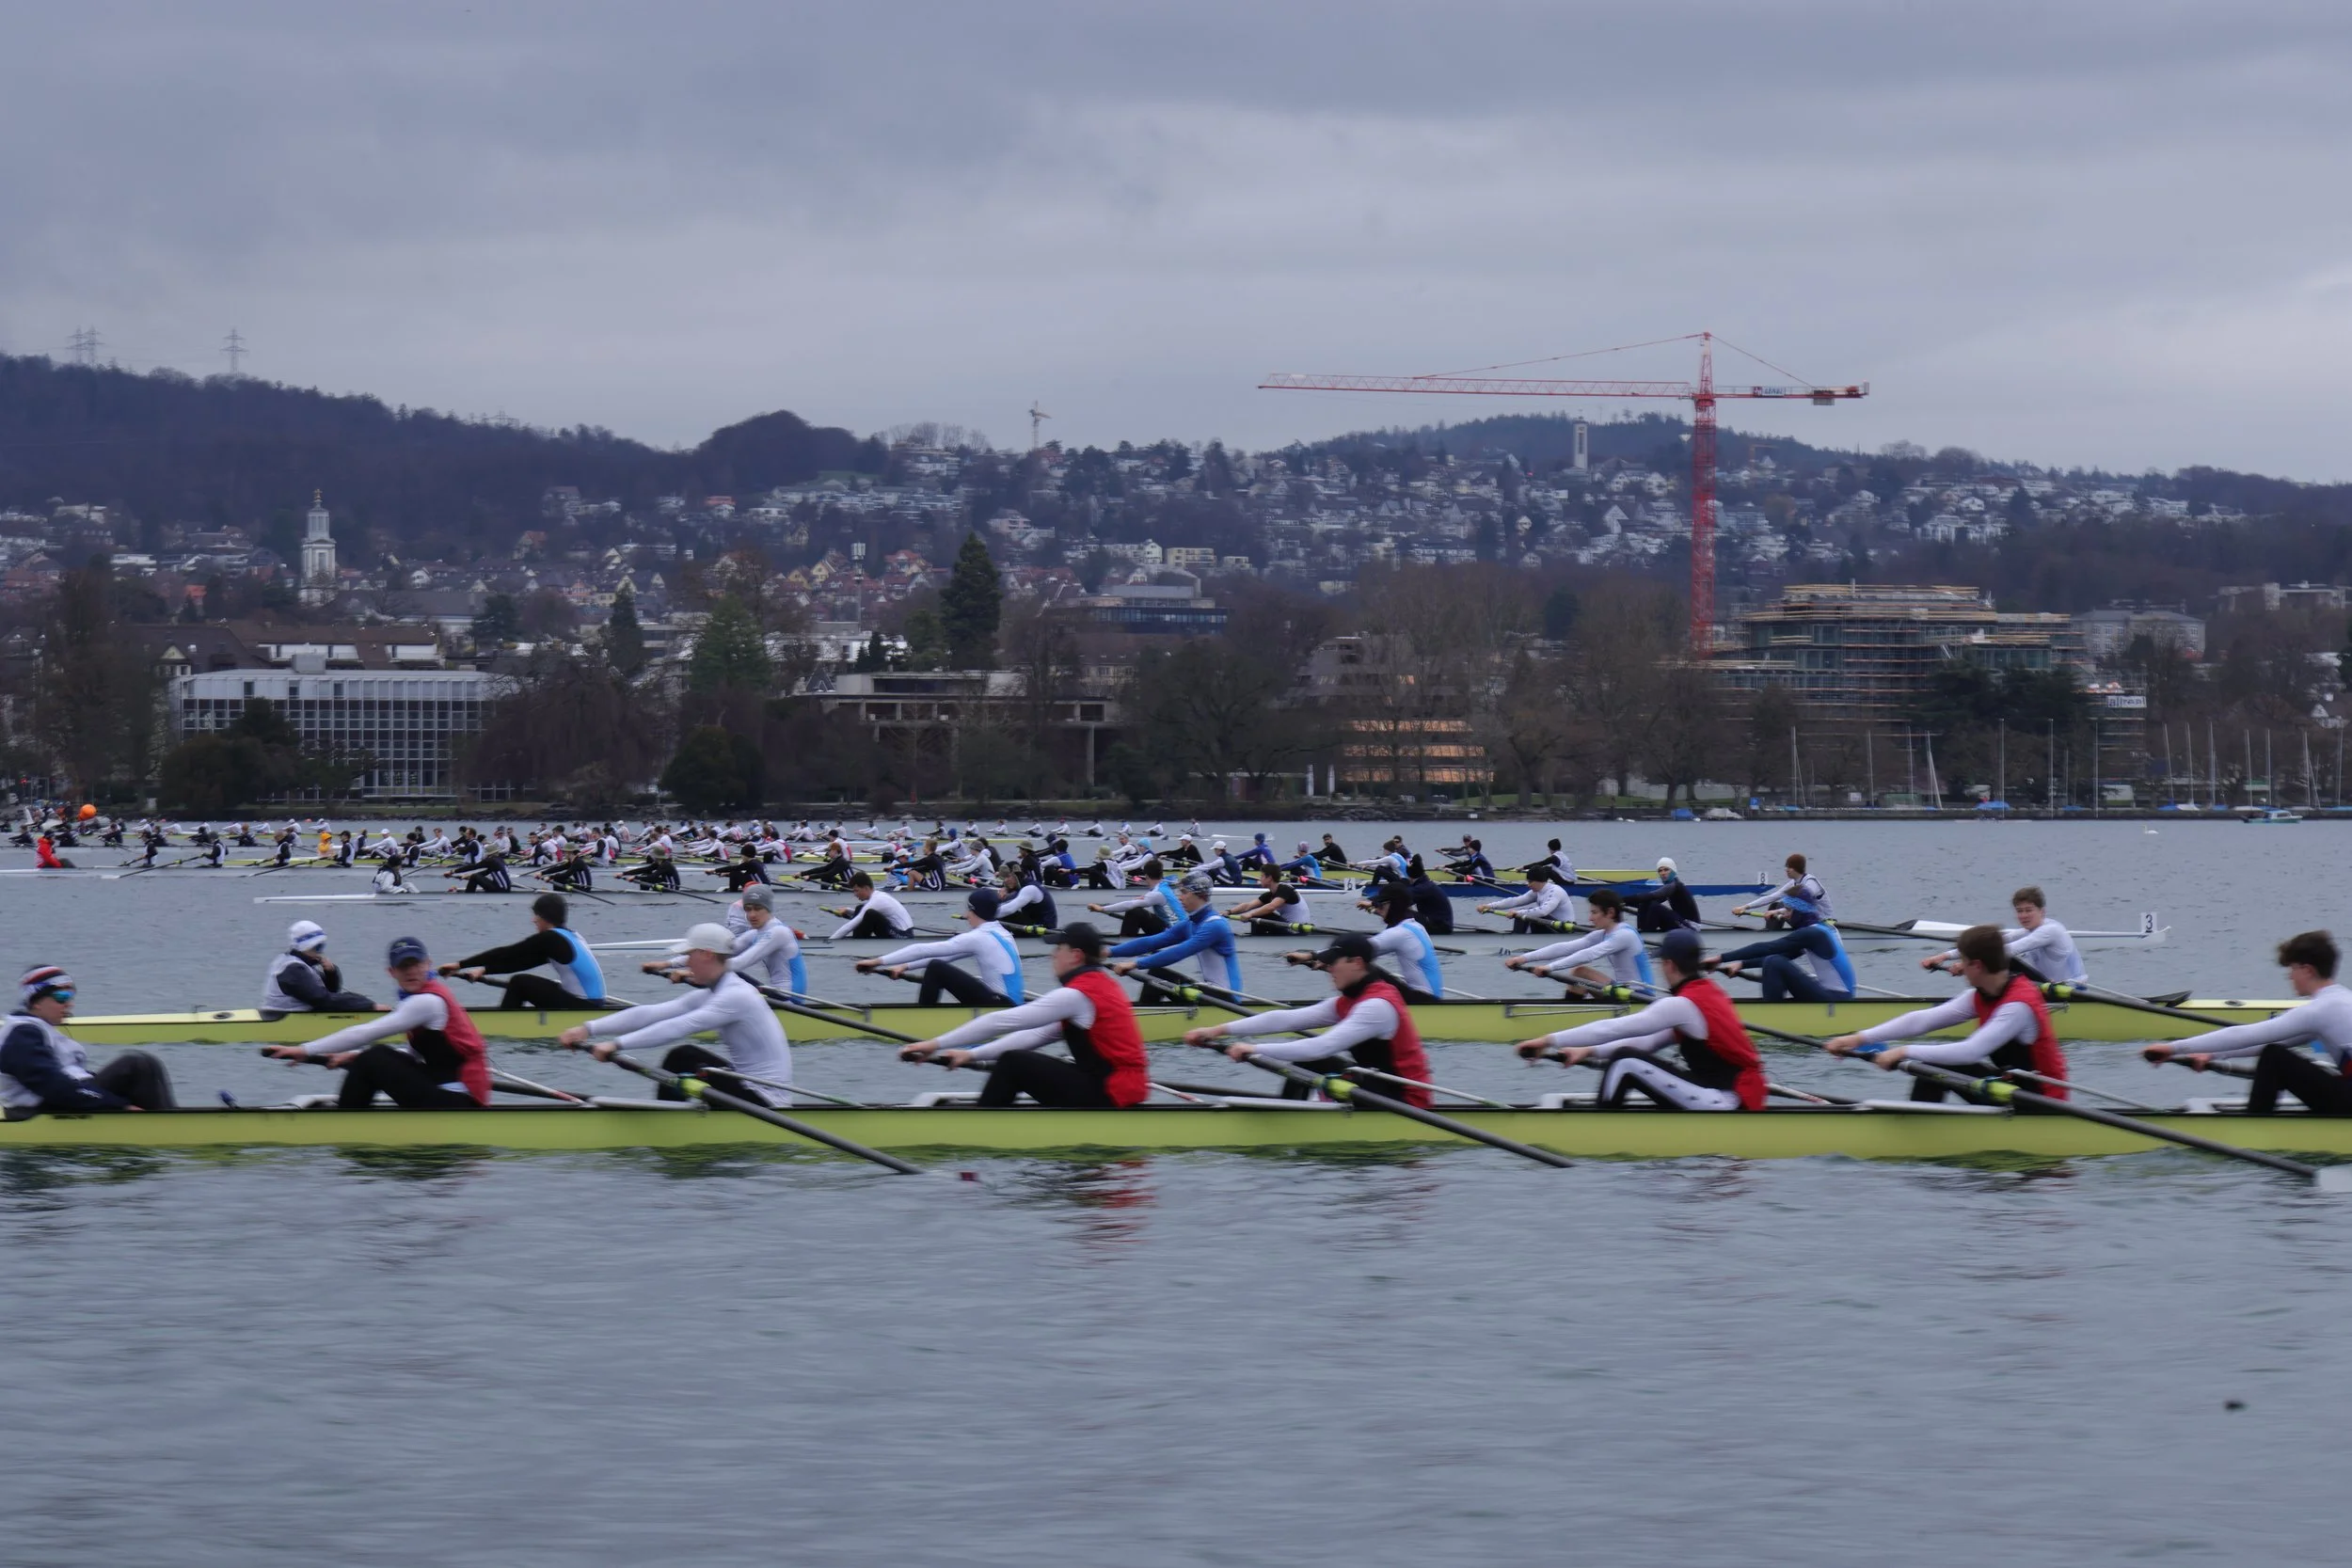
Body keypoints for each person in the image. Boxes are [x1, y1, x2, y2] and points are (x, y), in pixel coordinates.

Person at [898, 924, 1151, 1108]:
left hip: (1111, 1091)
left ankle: (980, 1130)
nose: (1053, 955)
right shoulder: (1101, 986)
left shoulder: (1078, 995)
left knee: (1013, 1063)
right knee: (1015, 1059)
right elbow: (1038, 1035)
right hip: (1119, 1088)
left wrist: (934, 1044)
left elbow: (1001, 1021)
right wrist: (971, 1054)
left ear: (1076, 955)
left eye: (1058, 948)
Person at [1512, 929, 1765, 1111]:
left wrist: (1548, 1040)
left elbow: (1615, 1028)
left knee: (1624, 1061)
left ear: (1669, 964)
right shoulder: (1706, 993)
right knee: (1628, 1054)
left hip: (1724, 1099)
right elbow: (1646, 1043)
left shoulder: (1682, 1004)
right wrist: (1587, 1050)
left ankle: (1599, 1130)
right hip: (1725, 1095)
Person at [1825, 924, 2067, 1102]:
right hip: (2012, 1086)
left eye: (1962, 961)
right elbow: (1921, 1021)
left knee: (1936, 1061)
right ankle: (1920, 1126)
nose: (1958, 968)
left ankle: (1917, 1139)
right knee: (1933, 1065)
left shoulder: (2017, 1006)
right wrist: (1858, 1038)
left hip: (2042, 1101)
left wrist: (1901, 1052)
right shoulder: (1984, 993)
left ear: (1977, 965)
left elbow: (1971, 1051)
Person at [1184, 934, 1433, 1107]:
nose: (1327, 968)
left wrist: (1253, 1049)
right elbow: (1285, 1019)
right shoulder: (1350, 999)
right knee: (1311, 1066)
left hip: (1407, 1099)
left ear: (1356, 963)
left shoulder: (1377, 1006)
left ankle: (1291, 1121)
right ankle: (1291, 1113)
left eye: (1333, 963)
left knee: (1314, 1058)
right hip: (1379, 1084)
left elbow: (1320, 1046)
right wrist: (1216, 1030)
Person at [559, 924, 794, 1105]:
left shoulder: (735, 996)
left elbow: (678, 1027)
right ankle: (669, 1113)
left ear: (707, 954)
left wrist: (615, 1045)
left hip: (765, 1099)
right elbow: (653, 1014)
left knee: (682, 1057)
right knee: (685, 1057)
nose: (686, 962)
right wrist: (588, 1029)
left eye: (689, 955)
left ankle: (664, 1121)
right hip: (745, 1083)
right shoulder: (717, 990)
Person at [262, 937, 490, 1109]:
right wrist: (354, 1056)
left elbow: (366, 1032)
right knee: (371, 1056)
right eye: (403, 967)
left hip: (462, 1101)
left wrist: (304, 1050)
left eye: (416, 965)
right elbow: (413, 1055)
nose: (411, 972)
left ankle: (344, 1126)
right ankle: (351, 1118)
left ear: (428, 965)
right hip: (445, 1091)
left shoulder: (427, 1002)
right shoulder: (421, 999)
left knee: (374, 1055)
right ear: (391, 972)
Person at [2143, 929, 2352, 1115]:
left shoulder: (2320, 1009)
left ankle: (2255, 1129)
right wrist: (2213, 1054)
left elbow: (2244, 1035)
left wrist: (2172, 1048)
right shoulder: (2340, 1001)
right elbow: (2273, 1043)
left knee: (2274, 1058)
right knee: (2274, 1053)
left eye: (2292, 969)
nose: (2289, 977)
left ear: (2307, 970)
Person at [2, 966, 175, 1115]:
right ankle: (168, 1124)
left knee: (145, 1064)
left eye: (70, 996)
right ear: (36, 1002)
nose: (69, 1004)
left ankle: (164, 1118)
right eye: (61, 997)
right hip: (43, 1109)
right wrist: (118, 1105)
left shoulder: (37, 1029)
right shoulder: (22, 1034)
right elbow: (53, 1087)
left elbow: (66, 1080)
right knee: (136, 1065)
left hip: (65, 1099)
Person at [439, 893, 609, 1010]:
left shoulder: (551, 938)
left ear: (545, 917)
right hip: (593, 1002)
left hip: (584, 1005)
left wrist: (459, 964)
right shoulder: (571, 936)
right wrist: (485, 970)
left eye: (536, 915)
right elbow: (522, 962)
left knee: (519, 982)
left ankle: (505, 1024)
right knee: (520, 979)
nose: (533, 920)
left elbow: (508, 952)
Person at [859, 889, 1026, 1006]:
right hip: (1010, 1004)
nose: (966, 915)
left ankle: (924, 1020)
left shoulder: (979, 937)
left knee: (935, 968)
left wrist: (877, 961)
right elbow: (947, 957)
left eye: (969, 910)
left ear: (977, 911)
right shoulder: (1001, 932)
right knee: (938, 964)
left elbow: (921, 950)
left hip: (1001, 1007)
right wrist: (905, 966)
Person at [652, 885, 807, 999]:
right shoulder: (755, 933)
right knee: (722, 974)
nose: (751, 914)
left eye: (757, 909)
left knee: (728, 974)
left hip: (788, 998)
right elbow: (715, 955)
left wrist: (692, 972)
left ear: (768, 909)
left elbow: (739, 963)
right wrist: (667, 964)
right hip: (774, 993)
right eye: (747, 909)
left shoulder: (778, 932)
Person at [1110, 871, 1244, 1001]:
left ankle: (1140, 1020)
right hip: (1211, 990)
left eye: (1184, 892)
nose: (1180, 897)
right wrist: (1107, 952)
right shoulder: (1191, 923)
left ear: (1201, 895)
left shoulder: (1215, 925)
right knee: (1159, 974)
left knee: (1157, 975)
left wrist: (1135, 964)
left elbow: (1179, 952)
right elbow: (1152, 942)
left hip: (1226, 996)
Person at [1923, 885, 2087, 985]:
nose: (2023, 916)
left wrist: (1967, 965)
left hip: (2072, 991)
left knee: (2006, 959)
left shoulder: (2051, 931)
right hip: (2050, 987)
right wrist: (1944, 956)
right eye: (2019, 911)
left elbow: (2010, 949)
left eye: (2029, 910)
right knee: (1994, 951)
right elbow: (1991, 942)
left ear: (2042, 912)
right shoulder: (2029, 931)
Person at [1312, 881, 1442, 1002]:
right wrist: (1374, 907)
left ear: (1394, 906)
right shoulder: (1416, 926)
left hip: (1424, 1000)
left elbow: (1358, 948)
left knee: (1359, 964)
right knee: (1357, 962)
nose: (1378, 909)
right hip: (1428, 995)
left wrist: (1312, 955)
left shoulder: (1400, 933)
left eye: (1380, 905)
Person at [1505, 887, 1649, 991]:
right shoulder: (1603, 933)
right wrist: (1523, 959)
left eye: (1594, 913)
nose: (1590, 918)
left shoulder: (1624, 935)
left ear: (1611, 912)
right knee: (1580, 973)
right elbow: (1566, 947)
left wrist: (1550, 967)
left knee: (1580, 972)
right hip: (1622, 989)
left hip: (1640, 994)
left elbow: (1588, 954)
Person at [1711, 913, 1856, 1003]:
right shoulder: (1822, 929)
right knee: (1774, 960)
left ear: (1800, 912)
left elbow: (1769, 948)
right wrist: (1742, 964)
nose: (1784, 916)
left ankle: (1772, 1014)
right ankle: (1774, 1008)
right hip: (1836, 993)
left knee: (1773, 961)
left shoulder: (1812, 934)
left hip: (1837, 998)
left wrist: (1721, 958)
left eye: (1788, 911)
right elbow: (1786, 955)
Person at [262, 921, 381, 1015]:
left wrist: (331, 972)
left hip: (292, 1014)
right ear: (306, 946)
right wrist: (368, 1005)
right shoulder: (293, 969)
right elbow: (323, 1000)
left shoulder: (299, 963)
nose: (321, 952)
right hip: (287, 1017)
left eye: (322, 946)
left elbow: (330, 992)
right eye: (318, 947)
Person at [1737, 853, 1833, 928]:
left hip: (1823, 921)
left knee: (1778, 907)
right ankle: (1772, 934)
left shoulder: (1810, 883)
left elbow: (1802, 907)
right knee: (1776, 904)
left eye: (1789, 867)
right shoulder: (1794, 883)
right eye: (1787, 867)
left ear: (1797, 868)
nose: (1786, 870)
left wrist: (1775, 912)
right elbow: (1772, 897)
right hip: (1805, 918)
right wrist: (1745, 907)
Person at [1479, 864, 1574, 933]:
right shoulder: (1537, 891)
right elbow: (1515, 901)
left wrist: (1518, 913)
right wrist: (1489, 906)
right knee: (1523, 913)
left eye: (1530, 882)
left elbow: (1543, 912)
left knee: (1525, 913)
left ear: (1539, 880)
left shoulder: (1555, 891)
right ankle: (1517, 938)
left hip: (1565, 929)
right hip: (1551, 927)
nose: (1528, 885)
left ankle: (1518, 941)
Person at [1227, 863, 1312, 935]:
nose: (1260, 879)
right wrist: (1229, 912)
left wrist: (1250, 914)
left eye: (1262, 876)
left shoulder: (1285, 889)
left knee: (1261, 913)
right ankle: (1257, 937)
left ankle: (1255, 940)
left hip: (1297, 931)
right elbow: (1247, 906)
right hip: (1287, 927)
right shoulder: (1270, 895)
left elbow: (1271, 907)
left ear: (1269, 878)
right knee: (1259, 912)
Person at [1622, 857, 1702, 932]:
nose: (1663, 873)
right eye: (1660, 871)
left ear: (1673, 871)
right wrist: (1624, 904)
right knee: (1647, 902)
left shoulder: (1675, 886)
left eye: (1666, 870)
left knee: (1654, 906)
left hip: (1691, 927)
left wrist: (1622, 899)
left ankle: (1646, 934)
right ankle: (1642, 931)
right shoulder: (1669, 887)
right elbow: (1645, 903)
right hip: (1680, 923)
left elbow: (1652, 896)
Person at [833, 872, 914, 938]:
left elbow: (850, 926)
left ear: (866, 888)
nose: (855, 894)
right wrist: (847, 910)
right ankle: (858, 942)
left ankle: (858, 945)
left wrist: (831, 941)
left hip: (903, 936)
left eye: (856, 890)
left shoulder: (876, 900)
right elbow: (860, 915)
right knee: (860, 908)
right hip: (899, 931)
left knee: (869, 913)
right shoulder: (878, 895)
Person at [995, 862, 1059, 933]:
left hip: (1044, 929)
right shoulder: (1027, 884)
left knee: (1006, 915)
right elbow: (1008, 900)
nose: (1005, 880)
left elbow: (1009, 909)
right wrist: (1005, 890)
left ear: (1017, 875)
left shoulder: (1030, 889)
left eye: (1008, 876)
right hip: (1036, 923)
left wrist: (986, 915)